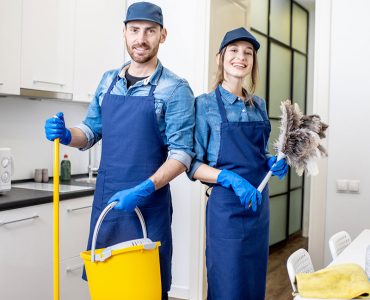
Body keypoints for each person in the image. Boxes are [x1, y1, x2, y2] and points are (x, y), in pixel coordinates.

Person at [44, 2, 194, 299]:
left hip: (149, 206)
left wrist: (143, 189)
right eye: (135, 30)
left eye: (150, 31)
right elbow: (90, 131)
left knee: (146, 289)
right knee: (108, 287)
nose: (141, 38)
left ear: (163, 35)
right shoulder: (107, 80)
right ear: (124, 33)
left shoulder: (175, 89)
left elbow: (182, 155)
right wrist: (66, 134)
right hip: (108, 203)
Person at [188, 27, 288, 299]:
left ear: (253, 61)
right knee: (227, 284)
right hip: (226, 211)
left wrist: (271, 162)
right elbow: (193, 165)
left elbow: (259, 152)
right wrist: (230, 179)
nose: (241, 57)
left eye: (248, 53)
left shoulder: (259, 105)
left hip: (258, 206)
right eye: (234, 50)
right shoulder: (204, 105)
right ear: (221, 58)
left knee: (253, 283)